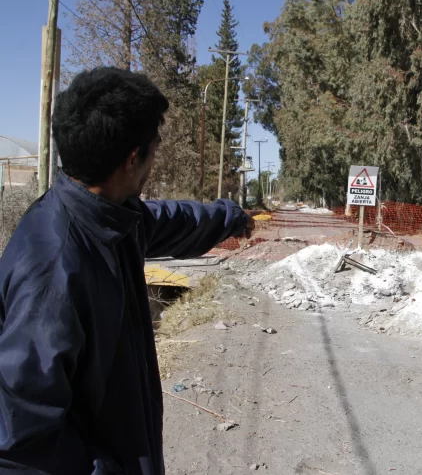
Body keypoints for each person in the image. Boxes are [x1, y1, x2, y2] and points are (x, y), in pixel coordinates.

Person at [0, 67, 255, 474]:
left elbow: (172, 219)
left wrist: (231, 217)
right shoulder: (53, 273)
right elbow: (20, 441)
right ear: (133, 159)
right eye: (154, 149)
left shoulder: (110, 217)